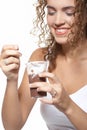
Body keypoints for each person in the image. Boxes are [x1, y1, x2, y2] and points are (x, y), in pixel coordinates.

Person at [0, 0, 87, 129]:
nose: (57, 21)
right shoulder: (42, 58)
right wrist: (11, 79)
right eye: (51, 12)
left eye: (69, 12)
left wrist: (68, 106)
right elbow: (13, 126)